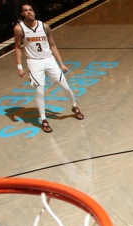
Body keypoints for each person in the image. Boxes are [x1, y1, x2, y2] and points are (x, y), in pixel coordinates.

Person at [14, 3, 83, 133]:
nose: (29, 12)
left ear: (34, 12)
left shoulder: (44, 26)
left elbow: (52, 45)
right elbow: (17, 47)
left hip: (49, 59)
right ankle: (44, 119)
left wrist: (61, 63)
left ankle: (74, 106)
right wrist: (19, 66)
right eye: (26, 11)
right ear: (22, 13)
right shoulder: (19, 29)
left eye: (31, 10)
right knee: (40, 92)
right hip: (34, 62)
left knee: (65, 86)